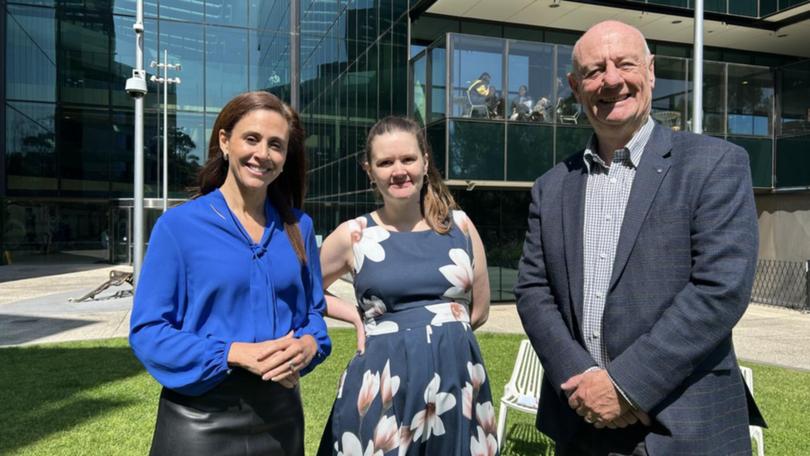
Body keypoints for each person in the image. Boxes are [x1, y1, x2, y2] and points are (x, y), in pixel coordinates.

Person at [514, 20, 764, 455]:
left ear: (650, 71)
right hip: (581, 423)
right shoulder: (551, 186)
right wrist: (585, 383)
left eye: (624, 64)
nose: (612, 80)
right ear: (576, 87)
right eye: (594, 71)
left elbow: (719, 288)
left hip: (685, 425)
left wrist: (626, 386)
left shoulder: (715, 164)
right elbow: (534, 291)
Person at [130, 91, 331, 456]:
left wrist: (308, 345)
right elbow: (148, 332)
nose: (263, 154)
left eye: (276, 145)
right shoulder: (178, 227)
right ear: (225, 141)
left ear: (286, 158)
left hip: (282, 419)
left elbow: (314, 314)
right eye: (251, 139)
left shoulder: (298, 227)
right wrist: (232, 353)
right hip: (200, 421)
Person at [318, 116, 498, 455]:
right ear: (369, 170)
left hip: (456, 380)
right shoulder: (353, 235)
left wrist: (439, 339)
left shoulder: (459, 226)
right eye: (385, 162)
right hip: (385, 381)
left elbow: (480, 311)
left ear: (425, 162)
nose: (398, 171)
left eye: (408, 159)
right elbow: (301, 291)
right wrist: (356, 317)